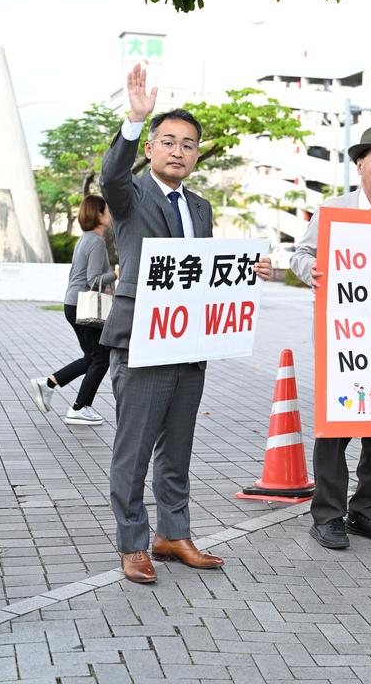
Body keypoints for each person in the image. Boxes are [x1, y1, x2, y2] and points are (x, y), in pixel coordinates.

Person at [99, 64, 273, 585]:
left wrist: (248, 270)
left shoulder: (200, 207)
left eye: (189, 145)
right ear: (151, 148)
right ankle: (133, 543)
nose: (178, 151)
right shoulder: (131, 194)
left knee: (177, 448)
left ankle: (173, 534)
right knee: (133, 451)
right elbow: (111, 176)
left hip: (189, 342)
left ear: (197, 155)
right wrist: (134, 119)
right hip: (141, 340)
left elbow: (203, 271)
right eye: (169, 142)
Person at [290, 123, 371, 551]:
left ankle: (366, 512)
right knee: (335, 429)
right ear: (360, 165)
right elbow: (301, 254)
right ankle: (327, 516)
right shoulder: (333, 210)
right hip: (343, 337)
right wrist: (313, 271)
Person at [27, 195, 116, 426]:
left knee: (92, 357)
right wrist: (116, 274)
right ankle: (79, 407)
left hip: (74, 304)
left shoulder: (85, 239)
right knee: (101, 358)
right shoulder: (96, 242)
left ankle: (48, 384)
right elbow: (93, 280)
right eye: (106, 211)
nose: (110, 214)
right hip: (83, 306)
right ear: (98, 215)